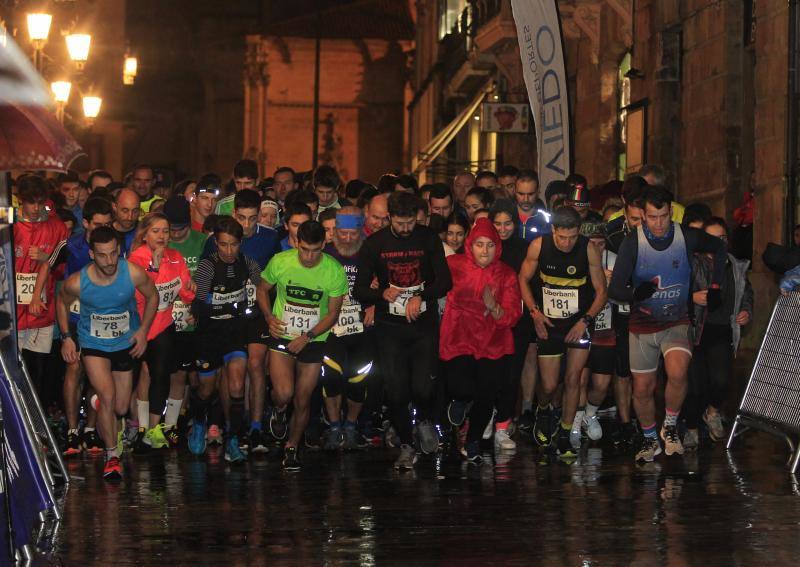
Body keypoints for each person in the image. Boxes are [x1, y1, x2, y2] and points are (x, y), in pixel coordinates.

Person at [608, 185, 727, 462]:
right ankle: (650, 439)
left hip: (676, 320)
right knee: (642, 388)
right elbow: (614, 290)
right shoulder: (632, 243)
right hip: (642, 325)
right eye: (652, 217)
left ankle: (670, 426)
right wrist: (634, 294)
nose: (658, 223)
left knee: (677, 371)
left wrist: (717, 285)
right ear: (643, 216)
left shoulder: (685, 236)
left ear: (670, 212)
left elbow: (719, 248)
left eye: (663, 216)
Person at [354, 192, 453, 470]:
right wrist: (381, 292)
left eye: (410, 223)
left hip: (423, 325)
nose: (406, 229)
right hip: (390, 328)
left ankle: (422, 419)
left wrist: (421, 295)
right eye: (400, 223)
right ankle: (407, 444)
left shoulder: (428, 238)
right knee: (396, 391)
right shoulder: (375, 244)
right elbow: (358, 289)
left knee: (423, 386)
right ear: (389, 218)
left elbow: (445, 281)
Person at [57, 226, 158, 480]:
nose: (110, 261)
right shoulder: (79, 281)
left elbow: (153, 296)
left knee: (121, 407)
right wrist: (67, 337)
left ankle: (97, 403)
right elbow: (61, 301)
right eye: (102, 255)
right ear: (92, 254)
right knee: (109, 396)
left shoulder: (132, 273)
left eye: (114, 254)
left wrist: (143, 331)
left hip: (125, 343)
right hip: (94, 345)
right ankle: (112, 456)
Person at [257, 220, 348, 470]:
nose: (309, 256)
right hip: (283, 334)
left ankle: (291, 447)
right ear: (296, 242)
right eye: (304, 249)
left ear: (324, 245)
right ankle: (276, 407)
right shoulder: (281, 261)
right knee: (285, 393)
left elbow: (332, 314)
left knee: (303, 398)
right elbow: (262, 289)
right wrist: (268, 317)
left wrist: (307, 336)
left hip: (313, 338)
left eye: (315, 250)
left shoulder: (334, 270)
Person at [519, 206, 608, 459]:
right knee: (548, 385)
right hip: (549, 324)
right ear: (553, 230)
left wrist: (586, 320)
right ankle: (543, 410)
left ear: (578, 232)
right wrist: (534, 313)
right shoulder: (538, 246)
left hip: (578, 323)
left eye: (572, 237)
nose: (567, 243)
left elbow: (602, 291)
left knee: (573, 379)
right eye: (562, 237)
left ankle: (566, 434)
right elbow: (522, 278)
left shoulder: (588, 249)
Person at [202, 189, 281, 452]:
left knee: (256, 364)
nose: (246, 225)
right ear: (233, 213)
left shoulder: (270, 238)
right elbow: (205, 280)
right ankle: (229, 426)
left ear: (261, 215)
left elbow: (274, 277)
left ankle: (256, 428)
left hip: (257, 312)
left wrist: (270, 311)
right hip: (227, 316)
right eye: (242, 217)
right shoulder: (218, 237)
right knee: (230, 372)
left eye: (252, 218)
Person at [440, 218, 521, 463]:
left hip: (492, 343)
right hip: (459, 337)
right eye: (479, 244)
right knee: (461, 386)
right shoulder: (453, 264)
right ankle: (461, 402)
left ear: (498, 247)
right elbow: (428, 281)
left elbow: (512, 316)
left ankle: (473, 439)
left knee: (487, 394)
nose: (484, 251)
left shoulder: (506, 274)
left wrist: (493, 307)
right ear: (469, 245)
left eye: (490, 245)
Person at [39, 197, 114, 455]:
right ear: (85, 223)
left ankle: (91, 430)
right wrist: (65, 334)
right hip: (74, 318)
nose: (102, 230)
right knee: (74, 367)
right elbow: (50, 272)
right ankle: (72, 430)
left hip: (103, 320)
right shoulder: (71, 245)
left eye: (107, 224)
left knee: (98, 373)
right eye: (97, 225)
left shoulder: (115, 245)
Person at [190, 217, 263, 462]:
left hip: (234, 333)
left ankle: (233, 438)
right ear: (216, 244)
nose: (229, 251)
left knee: (236, 386)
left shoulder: (248, 264)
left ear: (240, 243)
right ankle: (199, 421)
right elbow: (198, 302)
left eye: (233, 245)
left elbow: (262, 289)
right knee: (206, 388)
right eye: (223, 245)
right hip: (209, 335)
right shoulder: (207, 267)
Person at [128, 213, 196, 452]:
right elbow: (138, 295)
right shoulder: (135, 259)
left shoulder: (176, 258)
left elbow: (187, 294)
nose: (161, 236)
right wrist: (155, 269)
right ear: (145, 234)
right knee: (135, 379)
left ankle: (153, 430)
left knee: (161, 375)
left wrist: (189, 290)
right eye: (155, 231)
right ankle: (138, 426)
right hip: (137, 328)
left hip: (163, 325)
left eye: (165, 231)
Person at [683, 217, 753, 448]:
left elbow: (746, 292)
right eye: (712, 237)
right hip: (695, 331)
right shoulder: (692, 262)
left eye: (722, 237)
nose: (718, 242)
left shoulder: (734, 264)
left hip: (722, 330)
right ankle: (691, 427)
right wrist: (691, 298)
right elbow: (674, 292)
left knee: (721, 381)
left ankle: (711, 412)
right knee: (695, 386)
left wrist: (745, 310)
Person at [14, 175, 71, 421]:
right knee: (12, 370)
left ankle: (36, 424)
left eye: (40, 202)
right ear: (20, 200)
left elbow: (59, 269)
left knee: (37, 369)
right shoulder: (8, 224)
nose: (36, 208)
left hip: (41, 313)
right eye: (30, 202)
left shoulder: (57, 227)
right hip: (11, 313)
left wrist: (45, 258)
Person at [320, 207, 377, 450]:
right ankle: (334, 426)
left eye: (352, 233)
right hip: (332, 327)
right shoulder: (326, 253)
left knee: (358, 379)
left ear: (361, 231)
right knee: (331, 377)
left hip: (362, 326)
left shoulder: (371, 251)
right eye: (342, 233)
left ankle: (351, 425)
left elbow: (386, 280)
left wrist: (375, 302)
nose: (347, 238)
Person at [489, 199, 536, 448]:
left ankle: (503, 426)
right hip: (488, 322)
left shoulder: (524, 248)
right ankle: (487, 417)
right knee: (489, 374)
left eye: (508, 224)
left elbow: (530, 284)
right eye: (497, 224)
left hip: (518, 321)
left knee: (511, 375)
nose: (503, 229)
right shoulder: (484, 246)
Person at [164, 197, 208, 448]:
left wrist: (198, 307)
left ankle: (196, 419)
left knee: (199, 378)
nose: (176, 234)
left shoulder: (201, 242)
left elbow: (209, 277)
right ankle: (171, 426)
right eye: (173, 229)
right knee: (176, 374)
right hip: (168, 320)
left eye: (181, 228)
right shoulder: (160, 240)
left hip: (195, 319)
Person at [515, 170, 551, 241]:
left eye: (530, 194)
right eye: (521, 194)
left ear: (538, 192)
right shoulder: (506, 217)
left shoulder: (547, 220)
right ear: (514, 191)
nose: (526, 199)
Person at [112, 188, 141, 255]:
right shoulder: (105, 231)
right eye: (125, 211)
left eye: (135, 211)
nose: (130, 217)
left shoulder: (145, 231)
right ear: (114, 207)